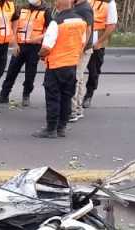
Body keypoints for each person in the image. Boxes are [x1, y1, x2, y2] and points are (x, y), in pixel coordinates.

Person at [33, 0, 88, 139]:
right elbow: (83, 42)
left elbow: (46, 47)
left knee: (53, 98)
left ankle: (51, 129)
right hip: (72, 65)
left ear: (58, 5)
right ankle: (61, 127)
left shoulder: (56, 23)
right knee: (66, 97)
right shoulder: (81, 21)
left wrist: (40, 55)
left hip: (56, 66)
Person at [0, 0, 51, 107]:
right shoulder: (22, 8)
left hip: (34, 47)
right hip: (19, 45)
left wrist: (38, 39)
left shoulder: (46, 11)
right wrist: (14, 43)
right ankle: (4, 95)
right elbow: (14, 26)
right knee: (11, 71)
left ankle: (26, 95)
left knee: (30, 73)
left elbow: (50, 30)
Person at [83, 0, 118, 108]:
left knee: (94, 70)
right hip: (82, 37)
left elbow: (111, 26)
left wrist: (99, 42)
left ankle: (89, 94)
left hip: (97, 41)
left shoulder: (109, 3)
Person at [69, 0, 94, 122]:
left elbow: (88, 30)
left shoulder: (84, 8)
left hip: (82, 50)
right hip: (80, 48)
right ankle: (77, 109)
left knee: (75, 78)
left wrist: (81, 48)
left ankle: (73, 111)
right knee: (79, 79)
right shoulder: (77, 6)